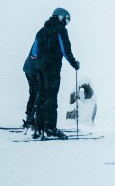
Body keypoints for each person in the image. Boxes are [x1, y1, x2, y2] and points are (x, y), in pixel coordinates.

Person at [33, 8, 80, 139]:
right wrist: (74, 63)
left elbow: (34, 52)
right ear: (60, 17)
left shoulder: (41, 31)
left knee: (41, 96)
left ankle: (39, 127)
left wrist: (38, 61)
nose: (66, 22)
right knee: (51, 98)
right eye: (67, 19)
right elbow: (65, 49)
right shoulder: (60, 30)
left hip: (39, 68)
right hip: (52, 68)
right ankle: (50, 127)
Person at [22, 46, 39, 130]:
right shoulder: (44, 38)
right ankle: (31, 119)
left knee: (34, 93)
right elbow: (35, 54)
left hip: (29, 68)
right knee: (37, 93)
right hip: (33, 70)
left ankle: (30, 117)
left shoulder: (42, 36)